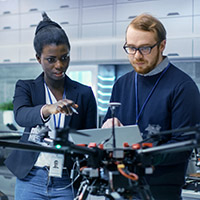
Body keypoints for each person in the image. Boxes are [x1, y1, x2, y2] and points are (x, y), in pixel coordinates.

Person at [102, 13, 200, 200]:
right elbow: (109, 130)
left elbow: (183, 146)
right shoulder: (121, 84)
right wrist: (109, 127)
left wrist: (140, 154)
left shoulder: (183, 87)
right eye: (131, 48)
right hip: (119, 188)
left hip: (159, 192)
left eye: (145, 48)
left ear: (162, 46)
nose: (137, 56)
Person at [5, 12, 97, 200]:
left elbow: (91, 138)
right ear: (39, 58)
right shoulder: (26, 87)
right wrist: (48, 108)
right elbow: (21, 116)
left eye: (64, 57)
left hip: (67, 181)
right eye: (51, 59)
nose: (59, 65)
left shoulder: (84, 93)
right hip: (31, 179)